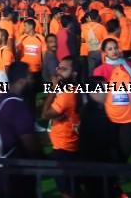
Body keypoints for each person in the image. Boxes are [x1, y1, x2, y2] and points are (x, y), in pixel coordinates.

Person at [0, 62, 41, 194]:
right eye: (30, 77)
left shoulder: (2, 100)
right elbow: (29, 142)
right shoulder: (17, 105)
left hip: (4, 174)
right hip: (17, 177)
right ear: (21, 81)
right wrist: (43, 159)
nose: (33, 80)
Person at [91, 37, 131, 164]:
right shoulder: (100, 71)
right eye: (110, 49)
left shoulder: (128, 66)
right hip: (108, 116)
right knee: (111, 147)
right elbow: (97, 95)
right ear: (104, 53)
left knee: (126, 148)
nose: (114, 51)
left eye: (116, 48)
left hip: (127, 115)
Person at [42, 55, 80, 198]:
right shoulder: (76, 89)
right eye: (59, 67)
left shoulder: (67, 94)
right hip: (70, 144)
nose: (59, 71)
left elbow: (45, 114)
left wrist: (53, 88)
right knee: (73, 187)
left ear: (74, 74)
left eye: (64, 69)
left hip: (64, 146)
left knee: (66, 190)